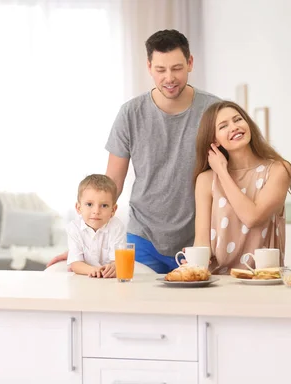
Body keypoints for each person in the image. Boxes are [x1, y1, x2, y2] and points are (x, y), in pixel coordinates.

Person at [46, 29, 220, 273]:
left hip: (198, 239)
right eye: (160, 70)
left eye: (177, 68)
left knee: (192, 309)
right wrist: (86, 247)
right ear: (149, 67)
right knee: (138, 307)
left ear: (190, 63)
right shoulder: (130, 113)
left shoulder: (214, 110)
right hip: (142, 239)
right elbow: (111, 185)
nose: (169, 78)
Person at [192, 100, 291, 274]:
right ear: (214, 140)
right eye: (223, 126)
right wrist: (193, 265)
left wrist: (222, 172)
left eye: (238, 119)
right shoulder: (206, 180)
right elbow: (202, 242)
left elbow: (253, 218)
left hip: (264, 280)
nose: (234, 127)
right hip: (219, 282)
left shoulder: (279, 170)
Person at [67, 174, 125, 278]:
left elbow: (117, 261)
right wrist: (94, 270)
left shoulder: (116, 227)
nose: (96, 211)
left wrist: (114, 267)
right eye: (89, 204)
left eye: (104, 205)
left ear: (113, 210)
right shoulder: (74, 228)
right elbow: (75, 264)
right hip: (84, 280)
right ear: (78, 208)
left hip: (109, 281)